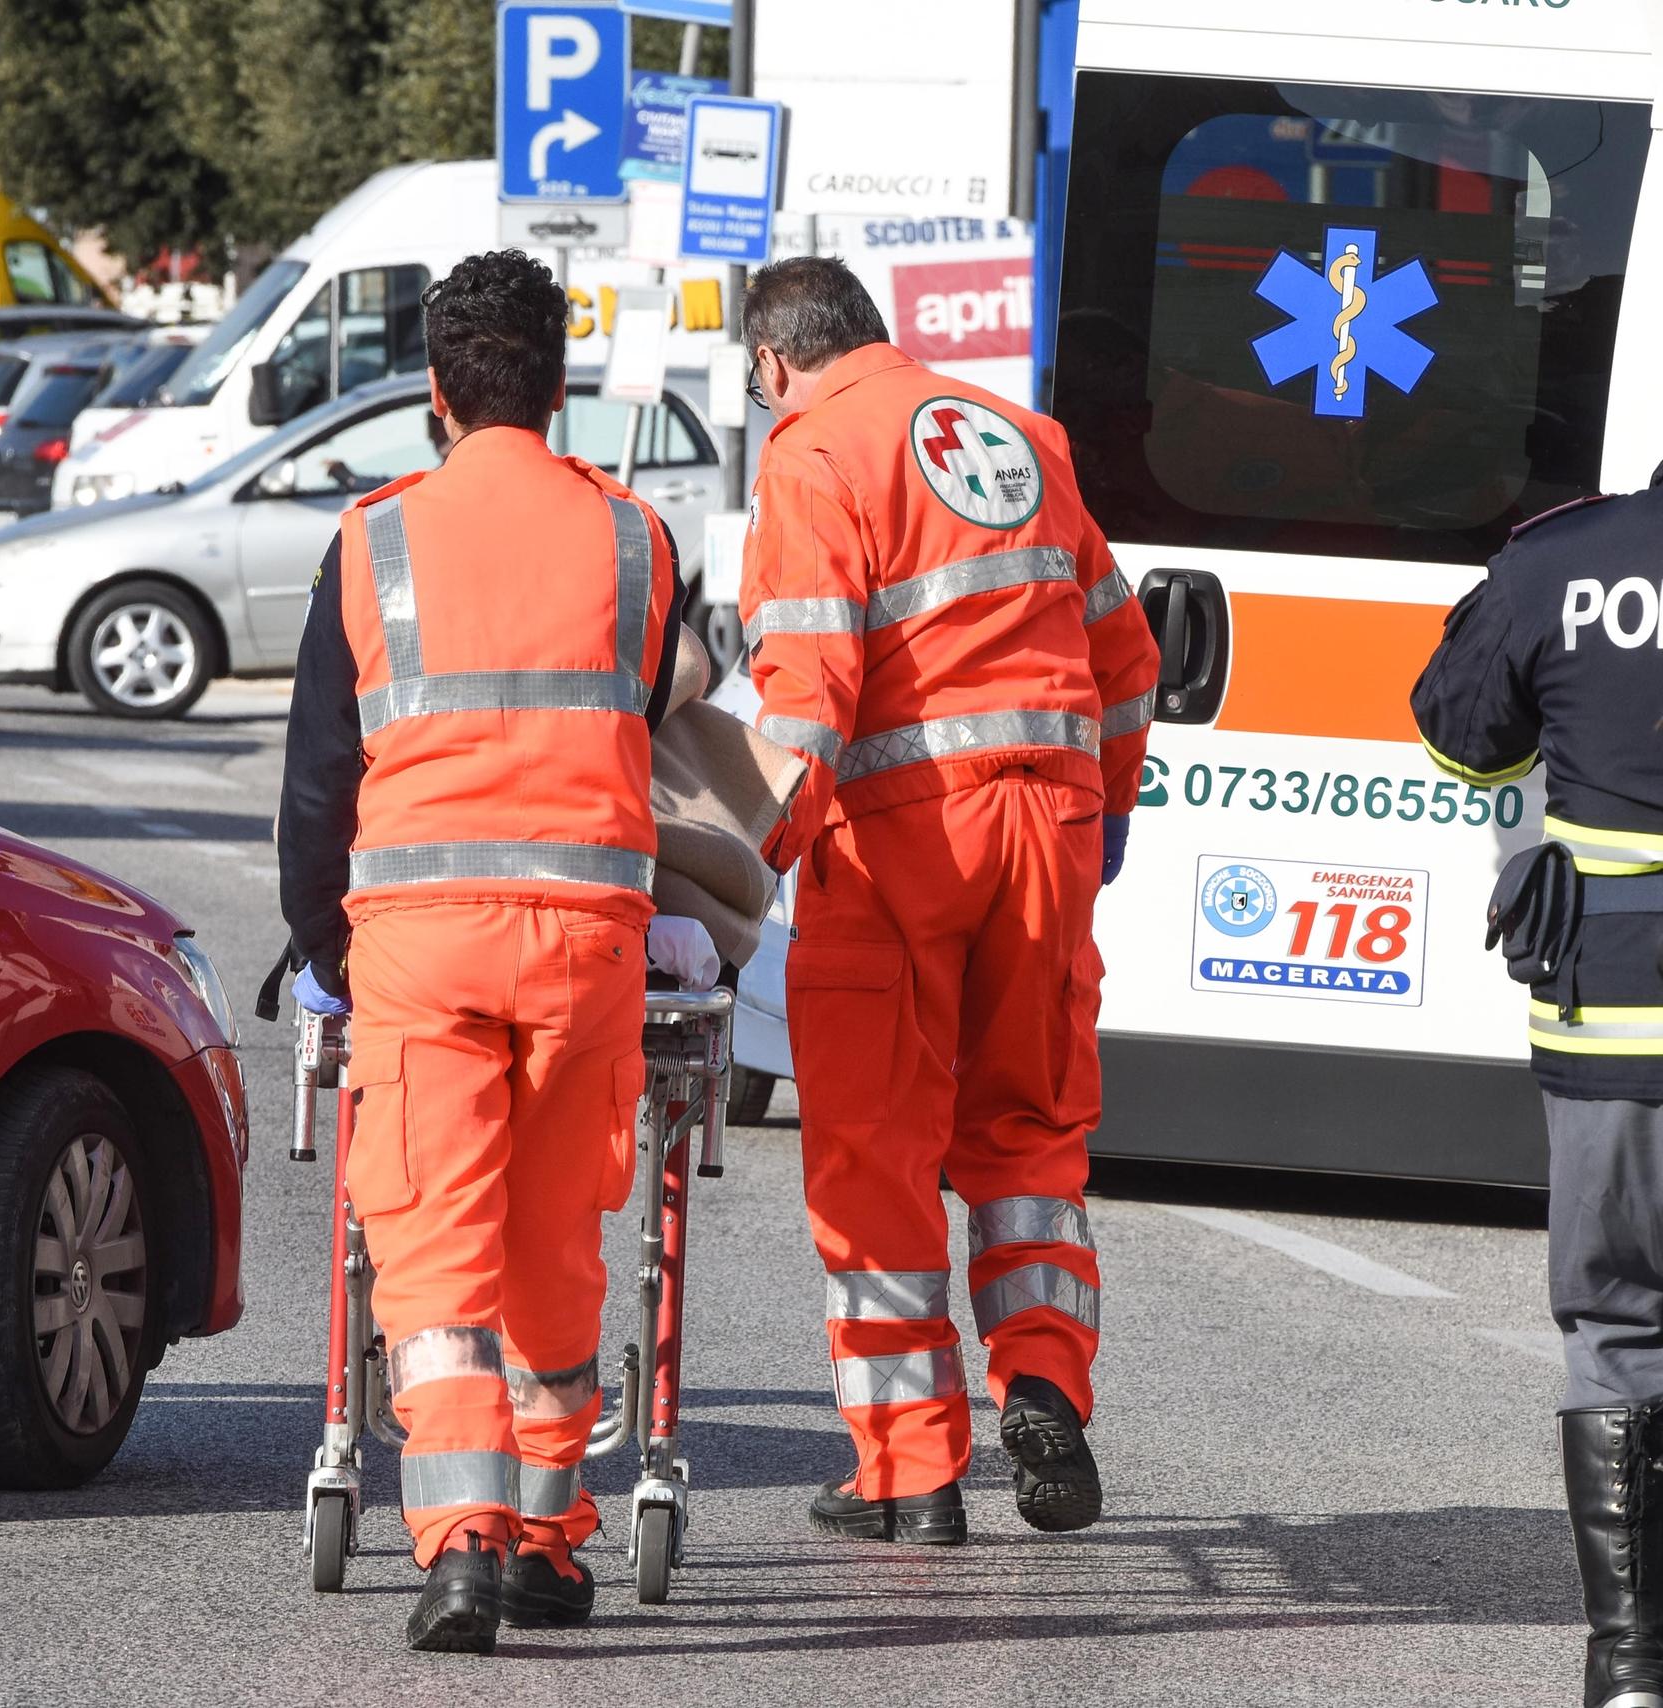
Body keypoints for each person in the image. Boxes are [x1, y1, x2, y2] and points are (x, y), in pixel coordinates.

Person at [279, 249, 685, 1653]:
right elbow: (641, 717)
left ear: (435, 394)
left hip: (419, 943)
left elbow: (321, 776)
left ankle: (455, 1544)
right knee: (555, 1239)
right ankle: (547, 1540)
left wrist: (310, 945)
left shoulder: (374, 539)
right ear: (557, 389)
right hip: (587, 942)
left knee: (435, 1253)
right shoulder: (639, 537)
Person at [738, 257, 1158, 1545]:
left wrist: (737, 864)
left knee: (875, 1148)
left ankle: (910, 1472)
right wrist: (1109, 814)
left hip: (900, 845)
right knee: (1027, 1135)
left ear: (772, 367)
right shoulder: (1022, 437)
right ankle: (1041, 1380)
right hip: (1050, 826)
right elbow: (1122, 656)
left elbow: (804, 694)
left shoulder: (812, 456)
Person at [1411, 473, 1663, 1708]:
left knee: (1620, 1328)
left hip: (1616, 1014)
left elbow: (1460, 730)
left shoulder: (1563, 558)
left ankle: (1629, 1665)